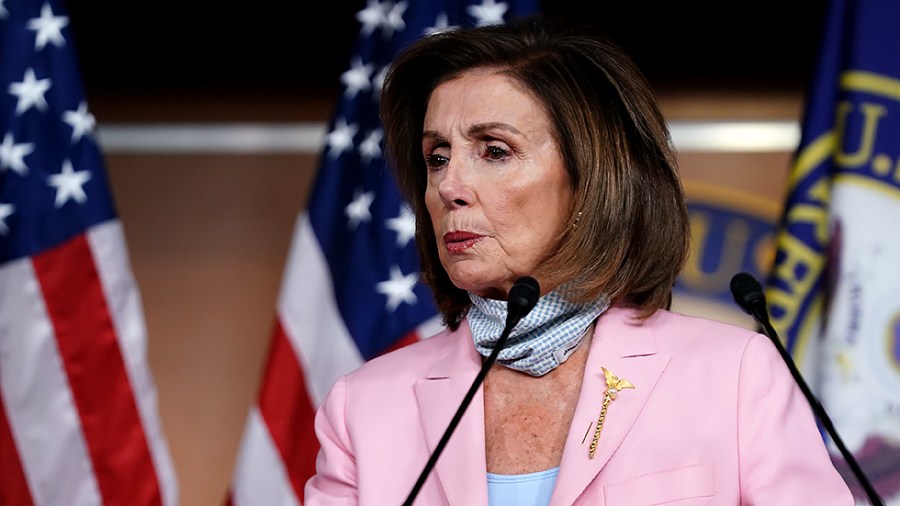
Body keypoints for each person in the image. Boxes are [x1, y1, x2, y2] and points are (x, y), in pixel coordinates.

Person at [304, 14, 854, 505]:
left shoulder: (735, 377)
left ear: (592, 179)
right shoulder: (364, 408)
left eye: (494, 151)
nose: (449, 185)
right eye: (437, 156)